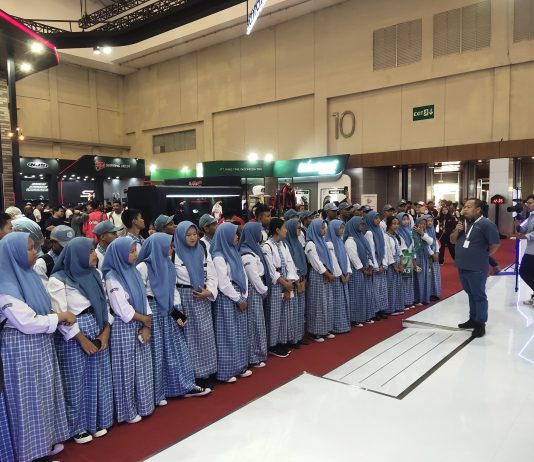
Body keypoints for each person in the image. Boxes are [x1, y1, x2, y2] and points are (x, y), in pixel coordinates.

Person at [0, 232, 75, 462]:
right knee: (28, 401)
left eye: (35, 247)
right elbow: (26, 322)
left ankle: (44, 443)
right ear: (14, 253)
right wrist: (59, 317)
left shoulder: (28, 276)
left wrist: (53, 318)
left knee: (43, 394)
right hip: (20, 349)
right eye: (30, 248)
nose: (36, 252)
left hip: (39, 345)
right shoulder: (5, 285)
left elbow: (41, 310)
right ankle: (31, 453)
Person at [48, 237, 114, 445]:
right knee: (75, 380)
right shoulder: (58, 279)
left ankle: (96, 420)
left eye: (94, 250)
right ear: (77, 255)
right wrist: (82, 339)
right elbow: (61, 313)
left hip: (97, 325)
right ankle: (77, 427)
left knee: (98, 376)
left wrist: (106, 330)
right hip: (73, 333)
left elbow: (105, 304)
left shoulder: (95, 274)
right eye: (90, 251)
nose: (95, 255)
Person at [136, 233, 210, 406]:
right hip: (152, 312)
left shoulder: (169, 264)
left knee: (177, 350)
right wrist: (146, 319)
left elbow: (173, 290)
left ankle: (183, 385)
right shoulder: (143, 267)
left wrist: (179, 313)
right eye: (169, 245)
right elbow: (140, 295)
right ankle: (159, 393)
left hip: (169, 310)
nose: (172, 248)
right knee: (157, 353)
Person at [102, 237, 154, 424]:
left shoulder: (133, 271)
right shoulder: (112, 277)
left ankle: (144, 404)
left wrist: (146, 325)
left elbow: (144, 298)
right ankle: (127, 411)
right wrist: (144, 320)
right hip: (124, 328)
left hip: (140, 323)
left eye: (135, 250)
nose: (135, 254)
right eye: (131, 252)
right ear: (119, 254)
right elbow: (122, 309)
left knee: (142, 367)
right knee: (126, 370)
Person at [174, 221, 218, 388]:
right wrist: (177, 311)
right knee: (190, 338)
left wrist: (210, 290)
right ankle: (195, 375)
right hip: (184, 299)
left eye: (194, 234)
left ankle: (209, 371)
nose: (192, 238)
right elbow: (171, 284)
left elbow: (212, 274)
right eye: (188, 235)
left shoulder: (202, 250)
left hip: (202, 297)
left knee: (206, 335)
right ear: (180, 236)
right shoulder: (174, 253)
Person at [450, 198, 500, 338]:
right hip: (462, 265)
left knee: (479, 295)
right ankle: (473, 319)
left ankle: (480, 324)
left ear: (478, 210)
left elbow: (495, 244)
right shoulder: (462, 224)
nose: (465, 209)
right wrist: (456, 230)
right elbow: (452, 240)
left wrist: (483, 255)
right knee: (470, 293)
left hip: (477, 267)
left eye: (469, 207)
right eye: (464, 207)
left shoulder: (486, 224)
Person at [210, 222, 251, 383]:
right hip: (227, 299)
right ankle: (226, 372)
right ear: (225, 236)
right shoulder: (218, 256)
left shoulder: (233, 251)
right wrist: (238, 299)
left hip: (238, 296)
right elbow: (224, 283)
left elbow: (243, 275)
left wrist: (244, 295)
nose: (237, 237)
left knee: (239, 333)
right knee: (227, 334)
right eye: (234, 234)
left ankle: (239, 366)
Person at [262, 218, 299, 355]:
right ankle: (273, 345)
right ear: (277, 230)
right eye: (284, 227)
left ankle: (283, 340)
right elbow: (271, 270)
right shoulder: (267, 246)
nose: (286, 230)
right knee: (275, 315)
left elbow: (290, 263)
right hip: (276, 284)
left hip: (287, 282)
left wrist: (290, 282)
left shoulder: (283, 245)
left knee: (286, 313)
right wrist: (285, 284)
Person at [239, 222, 269, 368]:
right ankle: (254, 356)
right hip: (254, 291)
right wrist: (264, 290)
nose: (261, 234)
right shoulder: (247, 254)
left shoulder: (253, 249)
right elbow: (254, 277)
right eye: (258, 231)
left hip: (257, 290)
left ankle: (258, 354)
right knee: (254, 323)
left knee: (257, 322)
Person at [304, 218, 336, 342]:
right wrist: (327, 274)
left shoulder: (322, 241)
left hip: (325, 274)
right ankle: (315, 332)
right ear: (316, 229)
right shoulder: (311, 244)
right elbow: (316, 262)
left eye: (325, 228)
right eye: (322, 228)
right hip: (317, 275)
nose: (324, 231)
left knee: (326, 303)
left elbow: (329, 258)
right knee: (318, 304)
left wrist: (330, 272)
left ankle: (325, 329)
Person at [344, 216, 373, 325]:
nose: (363, 226)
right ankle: (355, 319)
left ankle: (363, 316)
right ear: (354, 225)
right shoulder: (350, 241)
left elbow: (368, 252)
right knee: (356, 295)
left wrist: (370, 266)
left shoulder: (361, 237)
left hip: (365, 270)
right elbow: (354, 258)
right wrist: (363, 270)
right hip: (357, 271)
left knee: (364, 295)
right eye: (361, 224)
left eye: (363, 224)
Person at [284, 218, 309, 345]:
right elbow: (291, 265)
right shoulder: (287, 244)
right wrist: (298, 282)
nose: (300, 230)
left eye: (300, 228)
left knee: (300, 309)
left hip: (301, 278)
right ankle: (292, 339)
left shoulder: (297, 242)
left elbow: (302, 261)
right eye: (297, 228)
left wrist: (304, 279)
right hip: (293, 281)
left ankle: (299, 336)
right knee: (293, 310)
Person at [325, 219, 352, 333]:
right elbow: (334, 261)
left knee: (343, 301)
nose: (342, 230)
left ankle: (344, 324)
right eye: (340, 228)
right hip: (337, 277)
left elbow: (346, 258)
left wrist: (348, 273)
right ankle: (337, 326)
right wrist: (341, 275)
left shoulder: (340, 241)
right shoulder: (329, 243)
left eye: (343, 228)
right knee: (337, 302)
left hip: (344, 275)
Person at [364, 211, 389, 320]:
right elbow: (371, 251)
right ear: (370, 220)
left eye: (379, 218)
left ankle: (381, 309)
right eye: (375, 218)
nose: (378, 220)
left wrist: (384, 264)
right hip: (375, 265)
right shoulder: (369, 233)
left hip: (381, 263)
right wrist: (376, 267)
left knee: (382, 289)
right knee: (375, 290)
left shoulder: (380, 230)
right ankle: (375, 311)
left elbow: (383, 248)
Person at [384, 216, 405, 316]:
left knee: (398, 286)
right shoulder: (386, 237)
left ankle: (397, 306)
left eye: (397, 224)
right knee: (391, 287)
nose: (396, 226)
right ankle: (390, 308)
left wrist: (401, 264)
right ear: (389, 225)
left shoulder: (395, 236)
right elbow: (388, 252)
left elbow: (400, 251)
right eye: (394, 224)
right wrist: (394, 266)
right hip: (391, 265)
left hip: (397, 263)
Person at [396, 213, 416, 310]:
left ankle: (409, 301)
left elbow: (413, 244)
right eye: (403, 219)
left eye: (407, 219)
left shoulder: (409, 231)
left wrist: (413, 257)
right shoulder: (398, 232)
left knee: (408, 280)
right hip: (404, 256)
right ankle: (404, 302)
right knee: (404, 280)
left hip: (409, 255)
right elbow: (402, 247)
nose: (406, 221)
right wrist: (407, 257)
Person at [412, 217, 433, 306]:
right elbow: (412, 247)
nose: (422, 226)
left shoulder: (425, 233)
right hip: (416, 258)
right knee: (417, 278)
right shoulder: (412, 233)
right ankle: (417, 299)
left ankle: (424, 298)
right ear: (417, 224)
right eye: (420, 223)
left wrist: (422, 234)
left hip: (424, 258)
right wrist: (414, 260)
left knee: (424, 278)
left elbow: (431, 242)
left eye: (424, 224)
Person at [517, 195, 534, 306]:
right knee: (530, 273)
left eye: (530, 203)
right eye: (527, 203)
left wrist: (525, 236)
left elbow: (529, 233)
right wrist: (518, 224)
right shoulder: (531, 216)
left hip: (532, 251)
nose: (527, 205)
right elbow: (524, 228)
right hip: (530, 249)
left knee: (524, 271)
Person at [425, 216, 442, 301]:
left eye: (431, 221)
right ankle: (429, 293)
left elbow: (435, 242)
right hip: (428, 257)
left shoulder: (432, 230)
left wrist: (437, 253)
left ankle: (435, 293)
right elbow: (426, 245)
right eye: (428, 221)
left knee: (435, 275)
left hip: (435, 256)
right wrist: (432, 254)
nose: (430, 223)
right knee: (429, 275)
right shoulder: (424, 232)